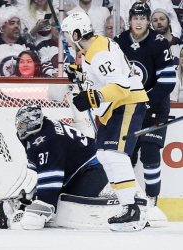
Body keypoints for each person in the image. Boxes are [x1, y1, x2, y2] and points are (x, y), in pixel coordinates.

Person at [61, 12, 149, 232]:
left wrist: (93, 97)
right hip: (115, 108)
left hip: (126, 104)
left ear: (76, 33)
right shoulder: (94, 48)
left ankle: (132, 209)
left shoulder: (99, 52)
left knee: (114, 155)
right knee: (103, 154)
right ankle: (126, 207)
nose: (66, 40)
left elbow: (120, 86)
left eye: (67, 35)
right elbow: (102, 78)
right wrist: (80, 76)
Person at [114, 2, 175, 227]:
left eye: (142, 17)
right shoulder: (119, 42)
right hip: (128, 108)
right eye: (135, 17)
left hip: (155, 108)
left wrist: (145, 102)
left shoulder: (159, 44)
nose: (138, 21)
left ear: (148, 20)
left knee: (150, 152)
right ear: (129, 20)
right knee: (124, 157)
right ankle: (126, 201)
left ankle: (151, 202)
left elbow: (168, 81)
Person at [11, 105, 108, 230]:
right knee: (57, 202)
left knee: (65, 207)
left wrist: (42, 205)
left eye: (23, 125)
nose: (19, 127)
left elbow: (51, 177)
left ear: (33, 124)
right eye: (19, 123)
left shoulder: (48, 139)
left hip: (95, 168)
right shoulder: (34, 133)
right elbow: (36, 168)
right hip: (77, 169)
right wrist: (26, 198)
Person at [0, 6, 35, 76]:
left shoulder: (27, 46)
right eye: (12, 23)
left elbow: (35, 69)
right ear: (2, 28)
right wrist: (1, 84)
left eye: (18, 23)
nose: (16, 26)